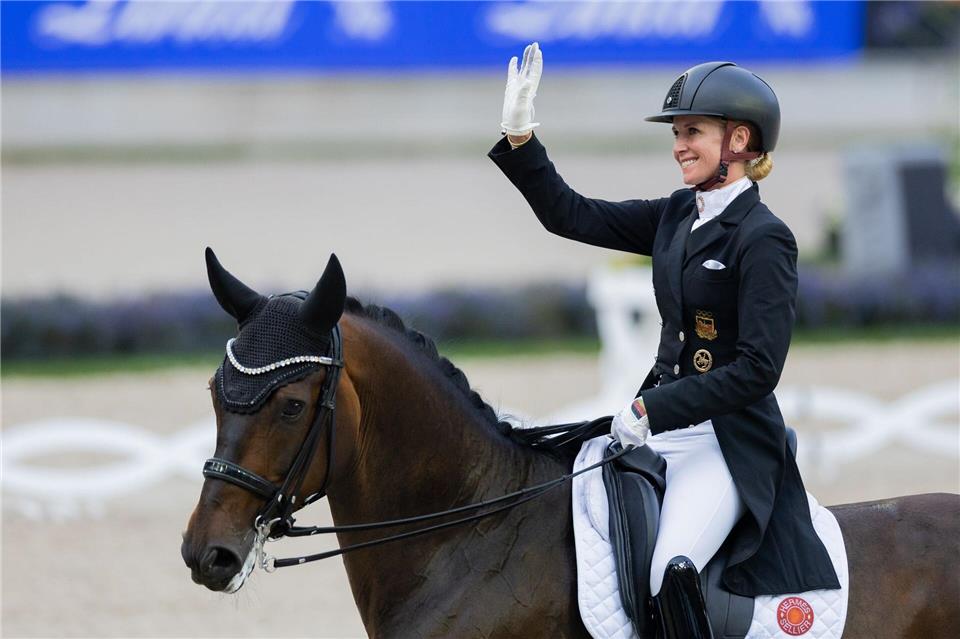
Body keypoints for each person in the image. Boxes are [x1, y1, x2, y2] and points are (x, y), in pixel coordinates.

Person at [489, 43, 839, 639]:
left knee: (670, 565)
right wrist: (522, 140)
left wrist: (653, 408)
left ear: (739, 140)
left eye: (692, 131)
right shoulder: (677, 214)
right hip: (659, 427)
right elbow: (572, 215)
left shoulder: (763, 239)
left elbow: (758, 369)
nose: (679, 144)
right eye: (676, 131)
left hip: (728, 443)